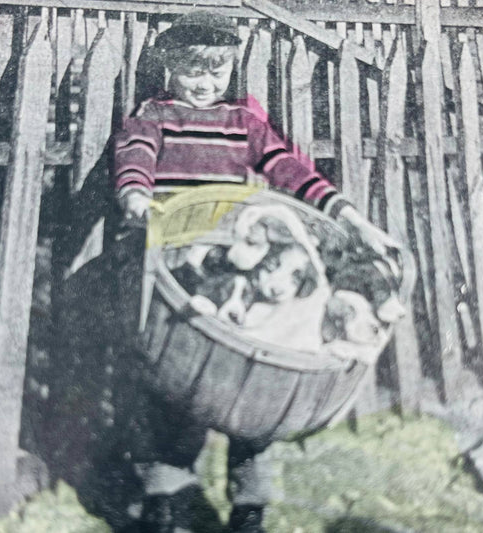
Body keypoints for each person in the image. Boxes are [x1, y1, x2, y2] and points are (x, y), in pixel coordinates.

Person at [103, 10, 401, 533]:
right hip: (174, 263)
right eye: (194, 70)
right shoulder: (153, 114)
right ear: (170, 66)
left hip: (236, 259)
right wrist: (135, 196)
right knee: (176, 385)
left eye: (217, 72)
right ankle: (167, 495)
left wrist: (349, 217)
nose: (206, 83)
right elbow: (136, 156)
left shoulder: (243, 123)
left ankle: (250, 503)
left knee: (258, 381)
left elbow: (289, 167)